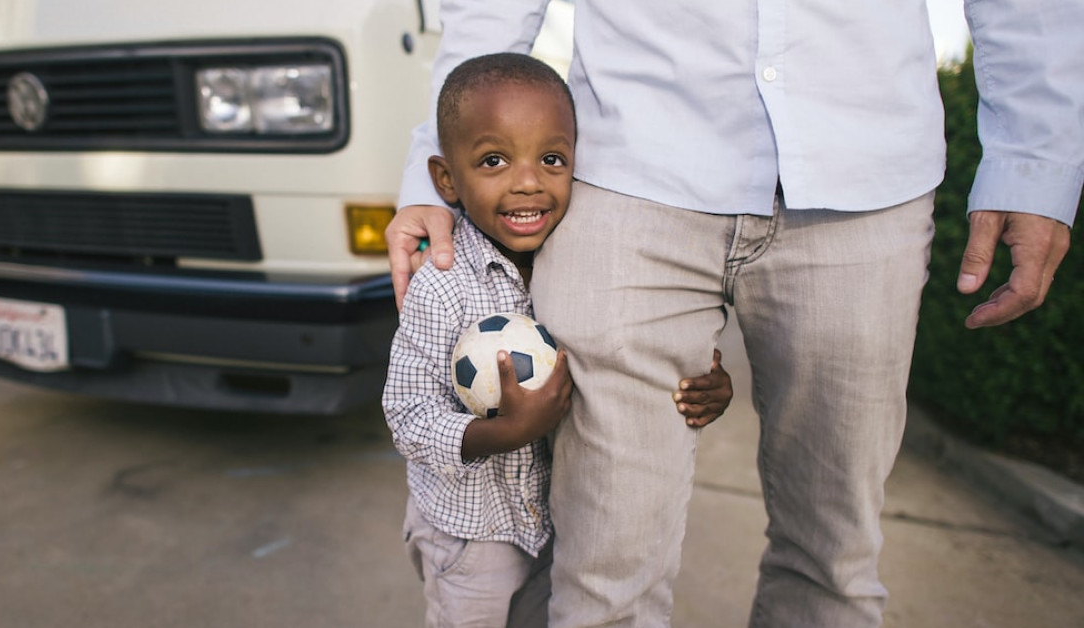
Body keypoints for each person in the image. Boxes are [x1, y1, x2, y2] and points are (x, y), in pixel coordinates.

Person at [386, 2, 1082, 627]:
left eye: (539, 159)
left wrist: (1038, 161)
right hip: (631, 169)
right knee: (604, 570)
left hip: (866, 173)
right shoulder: (466, 271)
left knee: (834, 560)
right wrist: (430, 167)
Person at [382, 52, 735, 628]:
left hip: (555, 526)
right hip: (471, 537)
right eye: (493, 160)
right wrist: (502, 433)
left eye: (551, 160)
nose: (528, 182)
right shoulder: (441, 285)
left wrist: (707, 382)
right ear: (446, 179)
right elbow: (407, 414)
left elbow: (632, 358)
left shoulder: (586, 268)